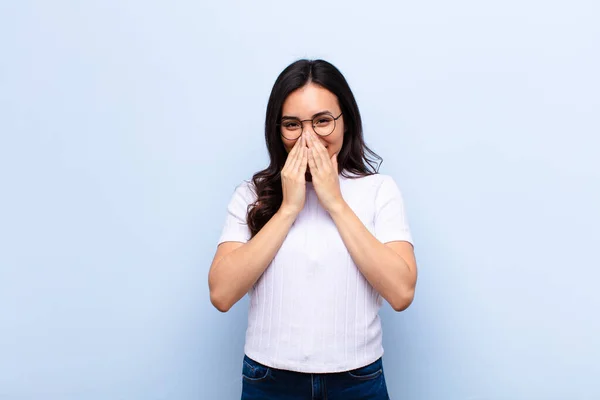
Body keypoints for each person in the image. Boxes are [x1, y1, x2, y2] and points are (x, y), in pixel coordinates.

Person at [208, 59, 418, 400]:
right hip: (270, 382)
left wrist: (334, 201)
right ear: (277, 130)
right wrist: (289, 208)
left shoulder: (380, 191)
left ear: (345, 122)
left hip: (357, 381)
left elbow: (401, 292)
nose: (307, 137)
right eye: (292, 124)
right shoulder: (250, 194)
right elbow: (221, 294)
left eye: (322, 121)